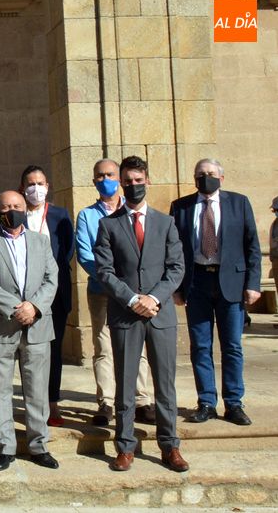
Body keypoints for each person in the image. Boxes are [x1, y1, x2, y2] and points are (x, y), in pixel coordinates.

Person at [94, 155, 188, 473]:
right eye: (128, 181)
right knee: (125, 384)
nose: (133, 185)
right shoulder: (108, 225)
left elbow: (176, 268)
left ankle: (170, 445)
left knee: (165, 384)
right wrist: (133, 299)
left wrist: (154, 298)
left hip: (160, 315)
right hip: (125, 314)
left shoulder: (166, 223)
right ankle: (125, 446)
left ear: (147, 180)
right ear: (121, 183)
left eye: (138, 180)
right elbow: (104, 271)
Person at [170, 158, 261, 426]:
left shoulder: (239, 203)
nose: (205, 177)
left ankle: (234, 403)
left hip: (231, 283)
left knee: (232, 345)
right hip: (196, 282)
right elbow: (173, 249)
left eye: (210, 173)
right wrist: (176, 287)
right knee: (200, 345)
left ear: (221, 178)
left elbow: (252, 245)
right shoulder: (181, 207)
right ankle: (206, 402)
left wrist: (253, 284)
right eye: (200, 174)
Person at [0, 190, 60, 472]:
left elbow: (51, 278)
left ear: (25, 208)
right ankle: (5, 447)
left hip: (37, 325)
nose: (11, 210)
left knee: (37, 389)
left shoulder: (40, 241)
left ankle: (39, 446)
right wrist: (15, 308)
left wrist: (34, 307)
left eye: (17, 205)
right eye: (6, 207)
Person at [75, 159, 154, 426]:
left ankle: (141, 400)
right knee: (103, 346)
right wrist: (114, 283)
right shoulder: (87, 216)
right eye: (100, 175)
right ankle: (106, 402)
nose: (105, 179)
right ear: (94, 180)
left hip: (135, 292)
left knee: (137, 345)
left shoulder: (133, 210)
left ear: (119, 178)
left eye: (110, 174)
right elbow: (86, 255)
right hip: (102, 291)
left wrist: (129, 287)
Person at [19, 165, 74, 426]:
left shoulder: (60, 215)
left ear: (48, 186)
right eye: (31, 184)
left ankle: (52, 402)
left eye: (40, 183)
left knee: (53, 350)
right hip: (25, 294)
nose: (36, 188)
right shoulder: (16, 213)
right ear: (22, 188)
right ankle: (32, 402)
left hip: (55, 293)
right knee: (27, 351)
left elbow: (68, 250)